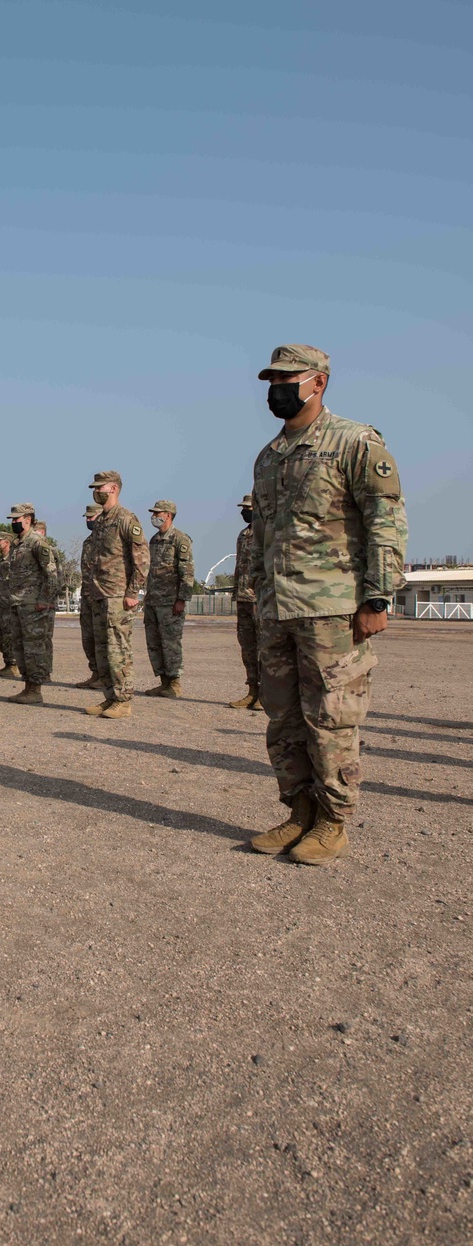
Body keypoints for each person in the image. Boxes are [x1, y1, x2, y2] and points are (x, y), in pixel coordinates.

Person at [248, 344, 407, 864]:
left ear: (317, 382)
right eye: (272, 379)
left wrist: (378, 595)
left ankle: (333, 821)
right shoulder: (269, 455)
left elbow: (385, 521)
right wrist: (256, 596)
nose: (277, 388)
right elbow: (263, 533)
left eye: (287, 378)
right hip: (276, 608)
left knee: (332, 718)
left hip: (332, 606)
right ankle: (299, 812)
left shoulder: (356, 442)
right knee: (283, 718)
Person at [84, 471, 150, 718]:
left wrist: (133, 592)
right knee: (102, 650)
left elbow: (142, 559)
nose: (96, 491)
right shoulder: (101, 520)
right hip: (100, 594)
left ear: (112, 488)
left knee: (118, 649)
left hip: (118, 596)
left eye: (99, 487)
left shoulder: (126, 519)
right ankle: (110, 696)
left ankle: (123, 700)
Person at [5, 503, 58, 705]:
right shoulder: (18, 543)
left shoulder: (38, 543)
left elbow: (51, 574)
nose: (13, 522)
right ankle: (27, 686)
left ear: (28, 519)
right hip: (18, 602)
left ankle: (35, 689)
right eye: (12, 519)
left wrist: (45, 599)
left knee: (34, 647)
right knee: (19, 646)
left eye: (16, 519)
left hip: (33, 604)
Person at [142, 500, 194, 698]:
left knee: (170, 643)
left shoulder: (180, 539)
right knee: (154, 642)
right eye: (153, 513)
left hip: (170, 602)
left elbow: (187, 572)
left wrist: (182, 599)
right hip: (153, 600)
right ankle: (163, 681)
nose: (154, 516)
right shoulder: (154, 540)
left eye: (158, 513)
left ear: (169, 515)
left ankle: (174, 683)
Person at [228, 493, 262, 710]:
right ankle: (252, 691)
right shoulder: (244, 534)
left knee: (263, 649)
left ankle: (266, 695)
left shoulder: (267, 533)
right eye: (243, 508)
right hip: (243, 597)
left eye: (248, 508)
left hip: (259, 598)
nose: (244, 511)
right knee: (247, 648)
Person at [74, 504, 103, 689]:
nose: (88, 520)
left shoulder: (109, 539)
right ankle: (95, 672)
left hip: (102, 596)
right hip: (87, 596)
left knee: (102, 638)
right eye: (87, 517)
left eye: (91, 517)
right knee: (88, 638)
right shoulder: (88, 542)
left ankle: (105, 676)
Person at [0, 533, 19, 679]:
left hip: (8, 603)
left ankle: (13, 665)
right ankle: (8, 664)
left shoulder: (14, 559)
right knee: (2, 635)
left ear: (6, 542)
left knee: (9, 635)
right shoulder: (1, 560)